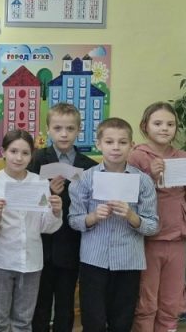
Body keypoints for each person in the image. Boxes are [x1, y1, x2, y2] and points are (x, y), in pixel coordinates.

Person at [129, 102, 186, 332]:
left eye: (170, 124)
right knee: (146, 300)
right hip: (147, 240)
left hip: (177, 239)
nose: (164, 128)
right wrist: (150, 175)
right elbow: (129, 197)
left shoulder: (185, 157)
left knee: (172, 300)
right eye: (158, 123)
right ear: (145, 126)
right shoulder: (136, 157)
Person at [68, 118, 159, 332]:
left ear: (132, 145)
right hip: (93, 260)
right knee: (93, 321)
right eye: (109, 142)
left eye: (122, 142)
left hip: (129, 261)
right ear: (99, 144)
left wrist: (131, 216)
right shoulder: (85, 178)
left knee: (122, 321)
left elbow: (153, 225)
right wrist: (93, 217)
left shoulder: (143, 181)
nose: (116, 147)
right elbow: (73, 219)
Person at [0, 129, 63, 332]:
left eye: (25, 153)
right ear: (3, 152)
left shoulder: (39, 183)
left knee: (23, 321)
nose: (19, 158)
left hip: (32, 261)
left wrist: (55, 211)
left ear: (31, 155)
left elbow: (46, 227)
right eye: (13, 151)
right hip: (1, 260)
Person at [29, 103, 99, 332]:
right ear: (48, 129)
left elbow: (91, 204)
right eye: (58, 128)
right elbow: (27, 199)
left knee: (65, 304)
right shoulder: (37, 159)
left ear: (79, 130)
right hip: (42, 244)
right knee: (40, 304)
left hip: (72, 244)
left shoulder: (89, 167)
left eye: (70, 128)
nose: (64, 134)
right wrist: (48, 192)